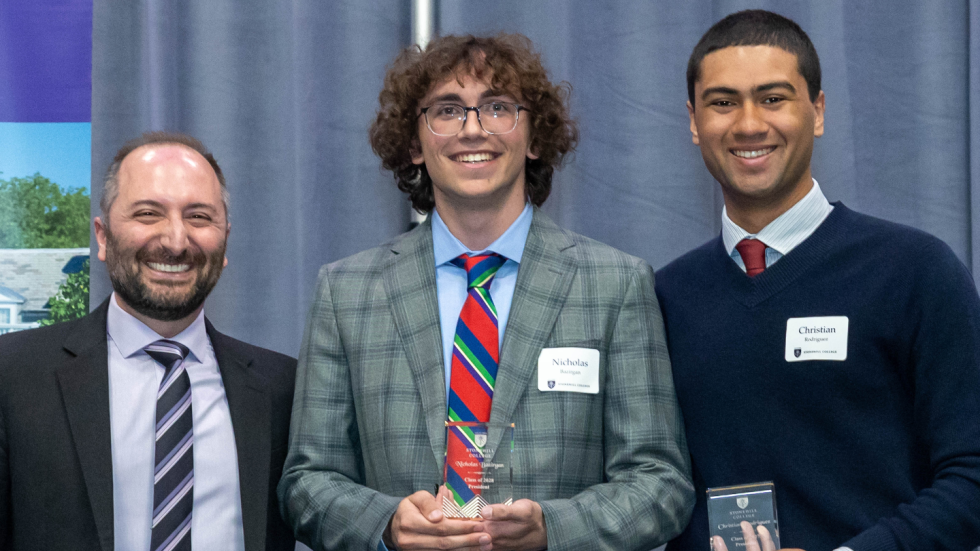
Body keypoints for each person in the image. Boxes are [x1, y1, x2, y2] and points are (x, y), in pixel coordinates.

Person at [278, 33, 693, 551]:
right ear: (414, 145)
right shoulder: (347, 292)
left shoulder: (615, 285)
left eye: (498, 108)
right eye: (447, 111)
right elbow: (307, 481)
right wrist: (385, 525)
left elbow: (660, 483)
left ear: (534, 137)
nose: (473, 129)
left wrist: (553, 528)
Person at [656, 9, 980, 551]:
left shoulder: (915, 273)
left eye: (773, 98)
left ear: (819, 111)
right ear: (694, 121)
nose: (749, 124)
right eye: (723, 102)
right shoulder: (664, 297)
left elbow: (972, 477)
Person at [0, 132, 297, 551]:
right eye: (148, 214)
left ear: (225, 239)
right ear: (103, 237)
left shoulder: (282, 388)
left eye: (199, 217)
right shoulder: (12, 376)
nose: (175, 241)